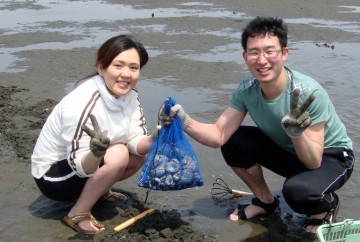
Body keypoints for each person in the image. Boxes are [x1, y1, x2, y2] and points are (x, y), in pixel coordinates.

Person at [162, 16, 354, 233]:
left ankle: (325, 206)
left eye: (270, 51)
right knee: (234, 141)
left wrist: (297, 133)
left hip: (329, 157)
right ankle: (265, 202)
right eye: (254, 52)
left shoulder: (308, 93)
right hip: (289, 150)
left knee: (298, 193)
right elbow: (218, 135)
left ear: (284, 53)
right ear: (245, 57)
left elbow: (312, 162)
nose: (262, 60)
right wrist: (184, 120)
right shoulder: (247, 89)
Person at [31, 35, 160, 234]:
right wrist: (96, 153)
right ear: (102, 67)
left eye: (134, 68)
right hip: (53, 177)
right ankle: (78, 212)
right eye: (118, 65)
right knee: (118, 155)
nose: (126, 74)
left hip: (83, 168)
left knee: (137, 156)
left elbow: (136, 142)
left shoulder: (130, 97)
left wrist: (158, 136)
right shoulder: (82, 103)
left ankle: (98, 192)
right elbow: (80, 166)